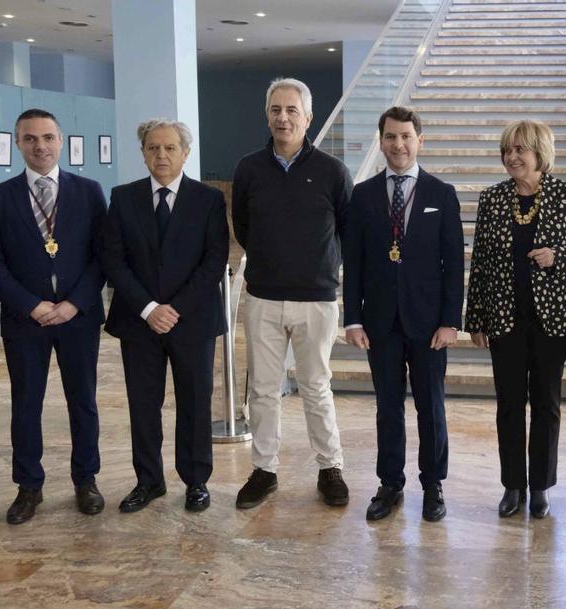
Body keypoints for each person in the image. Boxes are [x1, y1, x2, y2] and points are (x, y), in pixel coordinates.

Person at [0, 108, 108, 524]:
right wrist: (30, 304)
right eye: (30, 138)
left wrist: (74, 303)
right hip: (25, 320)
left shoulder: (89, 192)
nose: (40, 146)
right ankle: (28, 486)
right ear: (17, 143)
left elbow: (102, 256)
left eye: (48, 137)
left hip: (78, 317)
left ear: (61, 141)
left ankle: (85, 480)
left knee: (83, 402)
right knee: (26, 404)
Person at [464, 119, 566, 519]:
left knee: (546, 405)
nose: (512, 157)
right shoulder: (491, 199)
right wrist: (476, 320)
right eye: (507, 150)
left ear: (540, 153)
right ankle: (512, 485)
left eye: (520, 150)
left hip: (552, 321)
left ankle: (540, 487)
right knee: (508, 406)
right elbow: (482, 264)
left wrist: (558, 257)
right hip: (504, 319)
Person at [231, 77, 353, 509]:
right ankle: (264, 471)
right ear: (267, 115)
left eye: (292, 111)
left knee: (316, 386)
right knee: (262, 390)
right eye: (276, 110)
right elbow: (243, 227)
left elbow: (345, 232)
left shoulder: (332, 171)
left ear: (308, 117)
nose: (283, 118)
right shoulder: (249, 168)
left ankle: (330, 468)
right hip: (263, 297)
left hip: (317, 299)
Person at [101, 118, 228, 514]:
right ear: (142, 153)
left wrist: (175, 308)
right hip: (139, 321)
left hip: (192, 320)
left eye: (170, 148)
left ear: (185, 153)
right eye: (153, 148)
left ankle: (196, 482)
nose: (161, 155)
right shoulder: (123, 198)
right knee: (143, 405)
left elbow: (214, 261)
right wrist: (149, 308)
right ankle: (149, 481)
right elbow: (114, 260)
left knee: (194, 403)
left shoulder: (208, 200)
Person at [343, 106, 463, 522]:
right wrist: (352, 318)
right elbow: (353, 261)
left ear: (420, 141)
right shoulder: (362, 195)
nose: (399, 144)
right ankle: (390, 483)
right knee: (387, 406)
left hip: (429, 323)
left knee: (431, 406)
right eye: (391, 137)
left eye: (406, 136)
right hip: (379, 322)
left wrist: (451, 321)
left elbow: (453, 263)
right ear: (381, 142)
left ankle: (433, 484)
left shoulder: (441, 194)